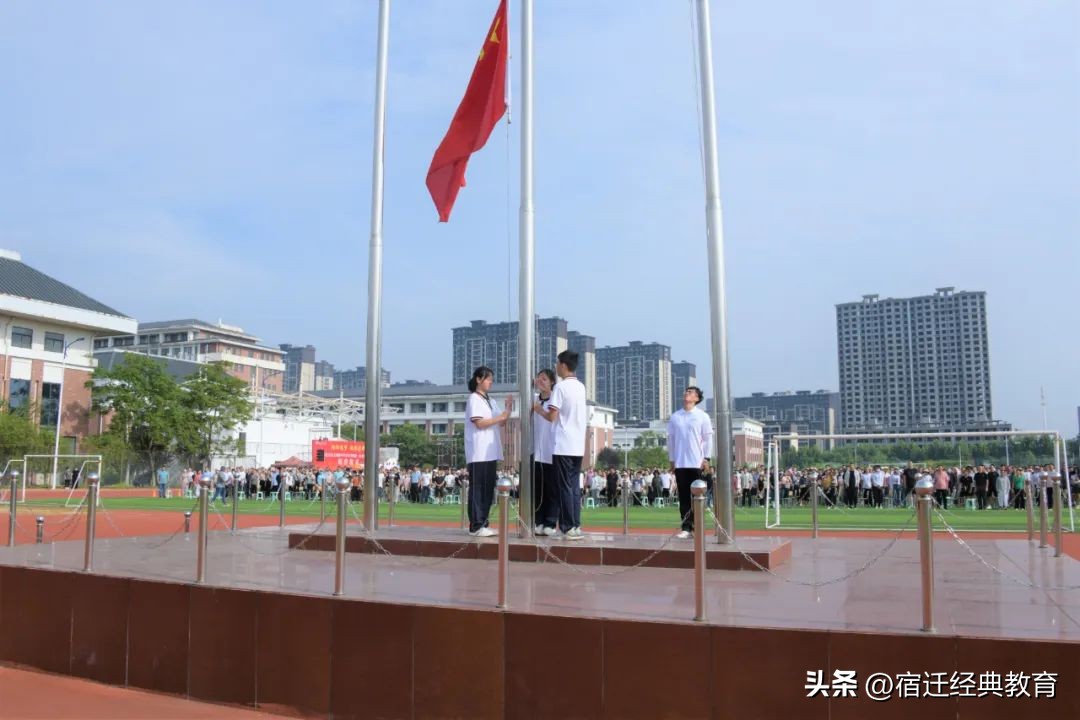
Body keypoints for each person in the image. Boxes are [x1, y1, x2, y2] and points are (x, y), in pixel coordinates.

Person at [533, 350, 587, 540]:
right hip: (577, 445)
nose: (556, 367)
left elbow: (552, 416)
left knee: (564, 487)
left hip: (563, 444)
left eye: (557, 364)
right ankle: (575, 525)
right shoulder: (581, 387)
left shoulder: (561, 388)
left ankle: (567, 527)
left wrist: (539, 410)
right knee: (573, 487)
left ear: (563, 365)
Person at [464, 366, 511, 537]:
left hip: (490, 451)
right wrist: (500, 417)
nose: (491, 382)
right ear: (478, 379)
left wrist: (508, 410)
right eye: (488, 378)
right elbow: (479, 423)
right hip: (478, 451)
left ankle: (483, 523)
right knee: (478, 489)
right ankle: (476, 525)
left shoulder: (490, 400)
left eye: (491, 379)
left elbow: (501, 422)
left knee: (488, 489)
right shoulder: (474, 399)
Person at [666, 385, 714, 539]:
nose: (687, 393)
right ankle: (686, 528)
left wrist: (706, 458)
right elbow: (671, 440)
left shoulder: (702, 416)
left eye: (691, 392)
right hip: (680, 463)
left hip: (696, 463)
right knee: (684, 498)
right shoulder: (675, 416)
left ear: (697, 398)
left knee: (697, 498)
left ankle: (698, 526)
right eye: (686, 391)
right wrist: (672, 459)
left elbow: (708, 438)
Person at [531, 369, 557, 535]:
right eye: (538, 378)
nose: (540, 381)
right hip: (536, 452)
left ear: (552, 382)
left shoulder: (555, 399)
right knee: (537, 490)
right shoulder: (533, 399)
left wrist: (538, 409)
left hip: (552, 451)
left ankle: (551, 522)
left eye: (544, 379)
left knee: (552, 490)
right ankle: (538, 521)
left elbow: (553, 418)